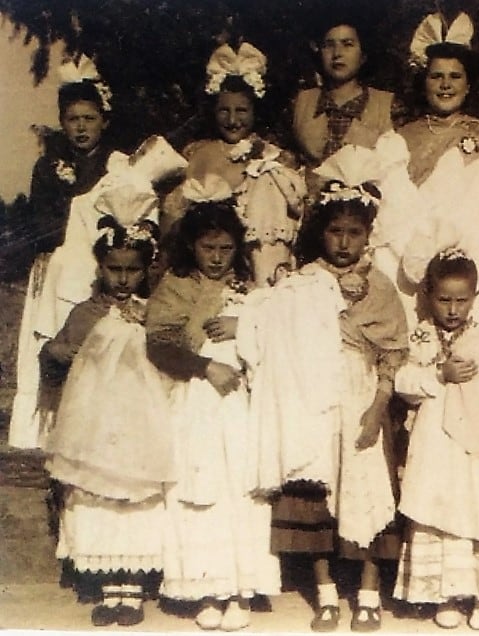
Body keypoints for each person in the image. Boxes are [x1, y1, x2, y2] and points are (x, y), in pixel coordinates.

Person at [238, 168, 408, 633]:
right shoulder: (301, 281)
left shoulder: (381, 286)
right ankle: (327, 592)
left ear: (368, 235)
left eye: (355, 233)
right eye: (335, 231)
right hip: (313, 400)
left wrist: (377, 408)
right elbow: (270, 326)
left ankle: (369, 591)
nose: (344, 242)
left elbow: (393, 352)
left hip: (361, 396)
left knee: (369, 491)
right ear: (321, 233)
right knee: (315, 497)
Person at [146, 185, 280, 631]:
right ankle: (205, 588)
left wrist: (245, 327)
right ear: (191, 245)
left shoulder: (250, 288)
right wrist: (204, 366)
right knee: (201, 489)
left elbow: (272, 339)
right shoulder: (177, 285)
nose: (218, 257)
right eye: (208, 248)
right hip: (196, 399)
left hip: (240, 402)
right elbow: (160, 344)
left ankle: (240, 589)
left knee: (240, 489)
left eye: (226, 248)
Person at [43, 214, 169, 628]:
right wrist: (64, 353)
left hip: (139, 421)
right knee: (97, 493)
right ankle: (107, 582)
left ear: (146, 270)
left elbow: (170, 354)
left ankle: (132, 584)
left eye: (132, 270)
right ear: (100, 268)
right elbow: (57, 352)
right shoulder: (86, 312)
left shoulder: (153, 310)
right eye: (114, 269)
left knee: (133, 495)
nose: (122, 279)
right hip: (95, 424)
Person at [393, 249, 479, 630]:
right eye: (444, 299)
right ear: (428, 296)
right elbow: (403, 382)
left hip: (474, 446)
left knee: (478, 507)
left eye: (461, 300)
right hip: (434, 444)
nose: (452, 309)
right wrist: (439, 374)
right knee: (438, 509)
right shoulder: (420, 337)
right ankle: (444, 593)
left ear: (475, 298)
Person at [9, 56, 116, 449]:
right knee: (54, 345)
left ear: (104, 120)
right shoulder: (48, 167)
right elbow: (43, 226)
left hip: (96, 266)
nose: (81, 127)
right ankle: (53, 432)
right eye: (73, 119)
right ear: (62, 122)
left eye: (89, 118)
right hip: (58, 268)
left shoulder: (116, 165)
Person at [397, 11, 479, 328]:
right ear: (424, 82)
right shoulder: (401, 138)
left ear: (468, 85)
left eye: (454, 77)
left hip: (469, 258)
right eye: (436, 76)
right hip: (414, 251)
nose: (445, 85)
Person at [168, 41, 306, 287]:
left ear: (255, 112)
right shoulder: (197, 154)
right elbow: (174, 217)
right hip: (205, 266)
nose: (232, 120)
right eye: (224, 111)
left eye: (241, 110)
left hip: (256, 269)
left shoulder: (273, 158)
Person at [292, 17, 402, 171]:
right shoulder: (301, 101)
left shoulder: (388, 105)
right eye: (329, 45)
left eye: (347, 44)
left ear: (363, 55)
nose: (337, 53)